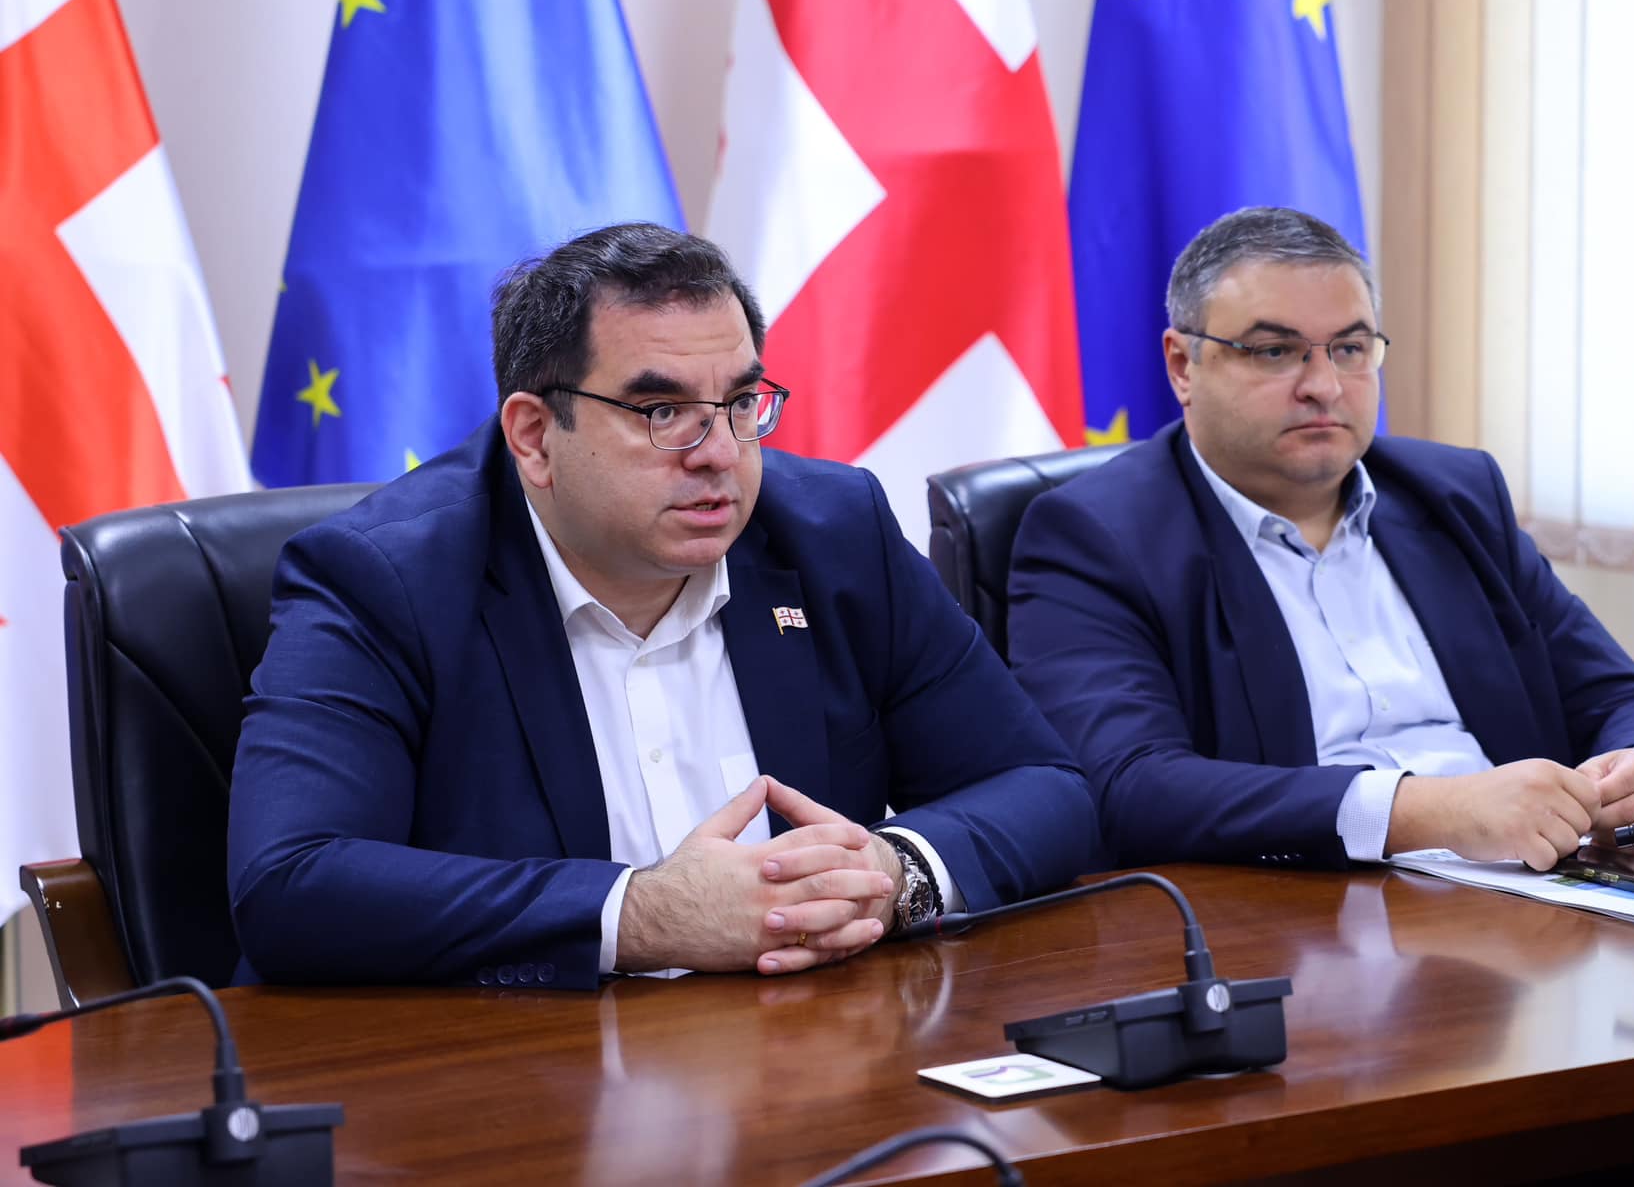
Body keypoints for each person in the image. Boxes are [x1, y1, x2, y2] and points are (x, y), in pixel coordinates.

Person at [228, 223, 1096, 989]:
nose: (718, 452)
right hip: (513, 1078)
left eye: (741, 403)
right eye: (662, 410)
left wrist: (888, 874)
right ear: (534, 435)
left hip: (809, 1052)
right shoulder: (384, 579)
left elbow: (1044, 788)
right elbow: (293, 882)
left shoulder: (834, 534)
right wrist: (643, 916)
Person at [1007, 207, 1634, 873]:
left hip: (1531, 901)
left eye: (1350, 348)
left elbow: (1618, 694)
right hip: (1304, 916)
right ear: (1182, 366)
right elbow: (1127, 784)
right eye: (1275, 351)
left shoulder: (1455, 496)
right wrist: (1426, 812)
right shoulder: (1094, 536)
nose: (1324, 385)